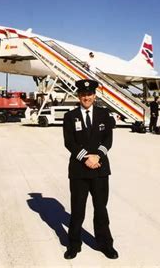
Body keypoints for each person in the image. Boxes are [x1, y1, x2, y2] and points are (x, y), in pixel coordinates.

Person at [62, 79, 118, 260]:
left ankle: (105, 244)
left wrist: (97, 157)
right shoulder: (70, 116)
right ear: (79, 96)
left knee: (101, 208)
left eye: (90, 94)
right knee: (77, 210)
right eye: (83, 94)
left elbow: (108, 140)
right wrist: (86, 158)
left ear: (94, 95)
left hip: (100, 169)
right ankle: (73, 244)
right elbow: (69, 142)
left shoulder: (104, 115)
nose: (86, 97)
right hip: (79, 170)